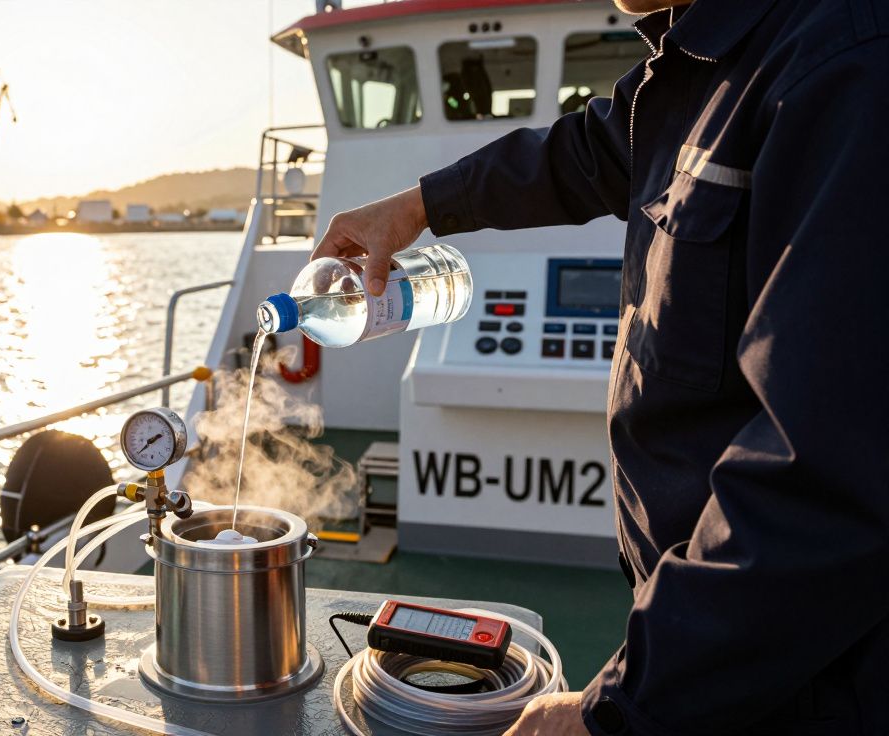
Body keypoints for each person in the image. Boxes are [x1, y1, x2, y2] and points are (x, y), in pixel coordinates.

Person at [314, 0, 889, 733]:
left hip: (806, 681)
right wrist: (420, 205)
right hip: (720, 657)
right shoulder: (713, 62)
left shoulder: (846, 62)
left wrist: (613, 713)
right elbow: (590, 151)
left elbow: (825, 483)